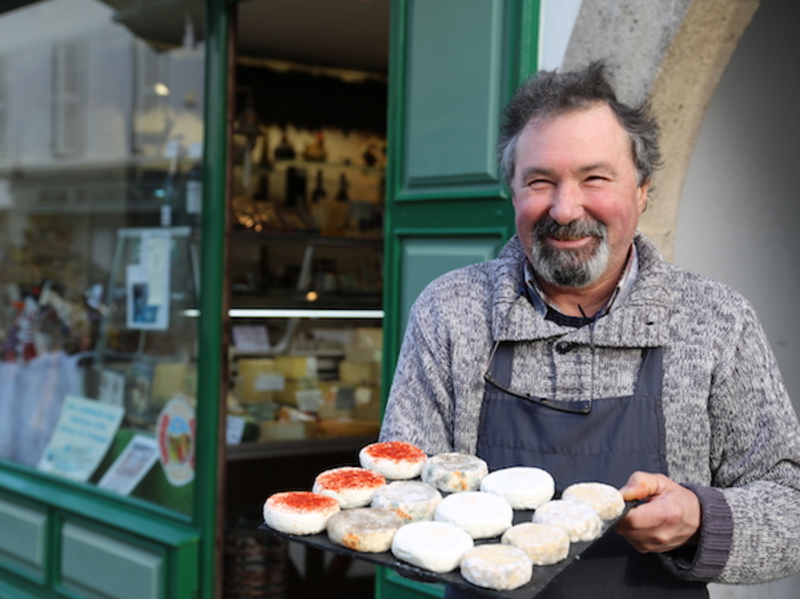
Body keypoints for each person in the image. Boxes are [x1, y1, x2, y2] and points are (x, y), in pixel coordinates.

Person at [379, 61, 800, 597]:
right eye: (540, 181)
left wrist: (700, 517)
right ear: (512, 192)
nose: (565, 207)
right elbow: (398, 496)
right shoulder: (450, 310)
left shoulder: (716, 319)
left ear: (643, 189)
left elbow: (792, 506)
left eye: (595, 178)